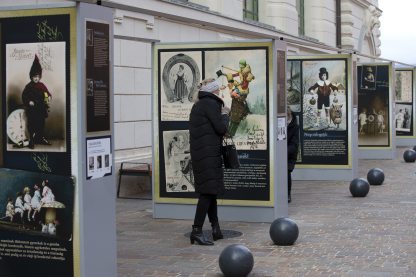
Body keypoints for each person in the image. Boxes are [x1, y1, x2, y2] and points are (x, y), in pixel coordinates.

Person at [189, 78, 230, 245]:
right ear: (214, 91)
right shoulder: (212, 105)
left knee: (210, 191)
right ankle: (196, 230)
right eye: (219, 90)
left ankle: (215, 229)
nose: (220, 92)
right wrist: (226, 115)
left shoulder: (198, 105)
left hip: (202, 155)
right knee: (207, 193)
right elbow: (221, 129)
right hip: (208, 155)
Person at [22, 54, 52, 149]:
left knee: (41, 124)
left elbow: (47, 94)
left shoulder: (42, 85)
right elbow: (24, 96)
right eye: (34, 76)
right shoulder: (28, 86)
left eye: (38, 77)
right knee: (32, 124)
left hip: (41, 108)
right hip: (32, 109)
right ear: (31, 76)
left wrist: (49, 97)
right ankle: (31, 140)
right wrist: (29, 102)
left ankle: (40, 138)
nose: (36, 78)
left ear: (40, 77)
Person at [218, 59, 254, 137]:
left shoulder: (247, 74)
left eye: (241, 65)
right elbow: (235, 75)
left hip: (241, 96)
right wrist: (225, 74)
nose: (240, 66)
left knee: (235, 121)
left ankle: (231, 134)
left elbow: (246, 83)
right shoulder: (240, 74)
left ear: (243, 65)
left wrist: (247, 76)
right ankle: (229, 133)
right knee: (233, 120)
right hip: (235, 107)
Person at [287, 106, 299, 203]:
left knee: (286, 172)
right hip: (278, 153)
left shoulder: (294, 126)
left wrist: (284, 152)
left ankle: (287, 193)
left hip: (289, 154)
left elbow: (294, 144)